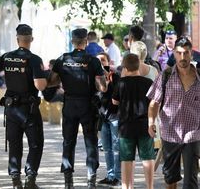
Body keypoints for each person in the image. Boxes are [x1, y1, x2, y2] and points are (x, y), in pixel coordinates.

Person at [49, 28, 107, 188]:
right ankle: (91, 179)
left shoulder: (63, 59)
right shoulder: (93, 60)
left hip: (69, 105)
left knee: (68, 141)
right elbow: (103, 87)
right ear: (86, 41)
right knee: (91, 141)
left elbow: (52, 81)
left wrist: (64, 81)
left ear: (72, 41)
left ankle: (68, 181)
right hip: (88, 105)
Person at [0, 24, 47, 189]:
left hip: (11, 109)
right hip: (29, 109)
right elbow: (40, 86)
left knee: (15, 143)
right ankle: (30, 178)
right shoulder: (34, 59)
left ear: (17, 39)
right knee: (35, 143)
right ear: (31, 39)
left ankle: (15, 179)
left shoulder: (7, 57)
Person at [147, 37, 200, 189]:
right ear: (174, 54)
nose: (182, 57)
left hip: (193, 134)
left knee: (191, 181)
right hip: (170, 133)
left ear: (191, 54)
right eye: (179, 53)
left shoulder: (199, 77)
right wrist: (150, 122)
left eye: (186, 53)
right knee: (170, 179)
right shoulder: (165, 76)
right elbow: (154, 103)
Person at [112, 54, 155, 189]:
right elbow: (154, 103)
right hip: (144, 125)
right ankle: (150, 186)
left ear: (125, 67)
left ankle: (127, 187)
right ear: (138, 66)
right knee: (147, 158)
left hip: (126, 126)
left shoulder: (121, 83)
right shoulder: (148, 82)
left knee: (127, 160)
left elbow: (114, 101)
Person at [96, 52, 121, 186]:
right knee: (106, 148)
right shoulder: (95, 77)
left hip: (115, 116)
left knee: (117, 147)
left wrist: (107, 79)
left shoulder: (115, 76)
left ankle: (117, 176)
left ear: (108, 62)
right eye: (98, 61)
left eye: (103, 60)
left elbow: (117, 94)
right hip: (103, 117)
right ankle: (110, 175)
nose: (100, 63)